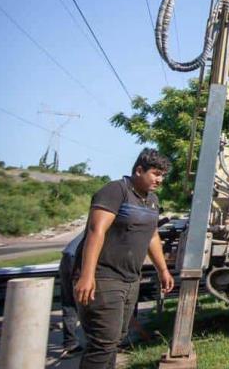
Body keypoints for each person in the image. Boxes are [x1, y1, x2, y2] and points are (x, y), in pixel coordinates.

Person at [73, 149, 175, 369]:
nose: (160, 179)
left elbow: (152, 236)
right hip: (104, 277)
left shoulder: (152, 200)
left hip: (130, 279)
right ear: (139, 170)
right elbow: (95, 230)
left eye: (162, 175)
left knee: (114, 340)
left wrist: (163, 270)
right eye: (156, 174)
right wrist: (87, 275)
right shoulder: (115, 191)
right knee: (103, 343)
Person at [59, 233, 84, 356]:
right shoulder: (112, 226)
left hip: (67, 258)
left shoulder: (95, 222)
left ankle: (70, 344)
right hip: (79, 260)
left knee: (69, 302)